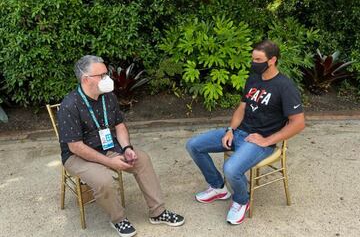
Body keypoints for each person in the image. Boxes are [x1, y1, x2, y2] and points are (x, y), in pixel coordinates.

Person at [58, 55, 184, 237]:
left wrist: (127, 148)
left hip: (109, 147)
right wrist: (110, 163)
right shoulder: (70, 105)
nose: (107, 78)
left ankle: (158, 212)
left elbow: (119, 126)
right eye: (101, 75)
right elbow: (76, 147)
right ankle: (118, 219)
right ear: (86, 79)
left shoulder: (108, 97)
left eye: (106, 73)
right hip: (78, 156)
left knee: (142, 159)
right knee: (103, 180)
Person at [186, 40, 305, 225]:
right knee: (194, 145)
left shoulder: (285, 87)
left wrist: (267, 141)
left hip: (260, 142)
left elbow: (298, 123)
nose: (253, 63)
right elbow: (242, 108)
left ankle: (242, 200)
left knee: (231, 169)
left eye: (258, 59)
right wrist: (230, 130)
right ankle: (218, 187)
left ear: (272, 60)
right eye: (252, 59)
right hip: (239, 132)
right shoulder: (253, 78)